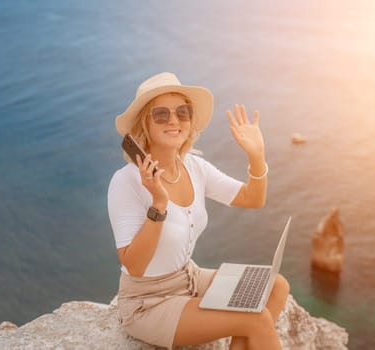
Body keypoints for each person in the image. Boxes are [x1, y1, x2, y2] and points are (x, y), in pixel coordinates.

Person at [107, 72, 289, 350]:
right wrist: (158, 202)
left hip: (188, 278)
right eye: (161, 114)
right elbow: (134, 264)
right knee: (256, 319)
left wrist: (256, 156)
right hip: (149, 302)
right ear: (145, 122)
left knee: (277, 286)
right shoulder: (126, 181)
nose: (174, 120)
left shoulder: (193, 166)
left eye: (183, 112)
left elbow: (252, 198)